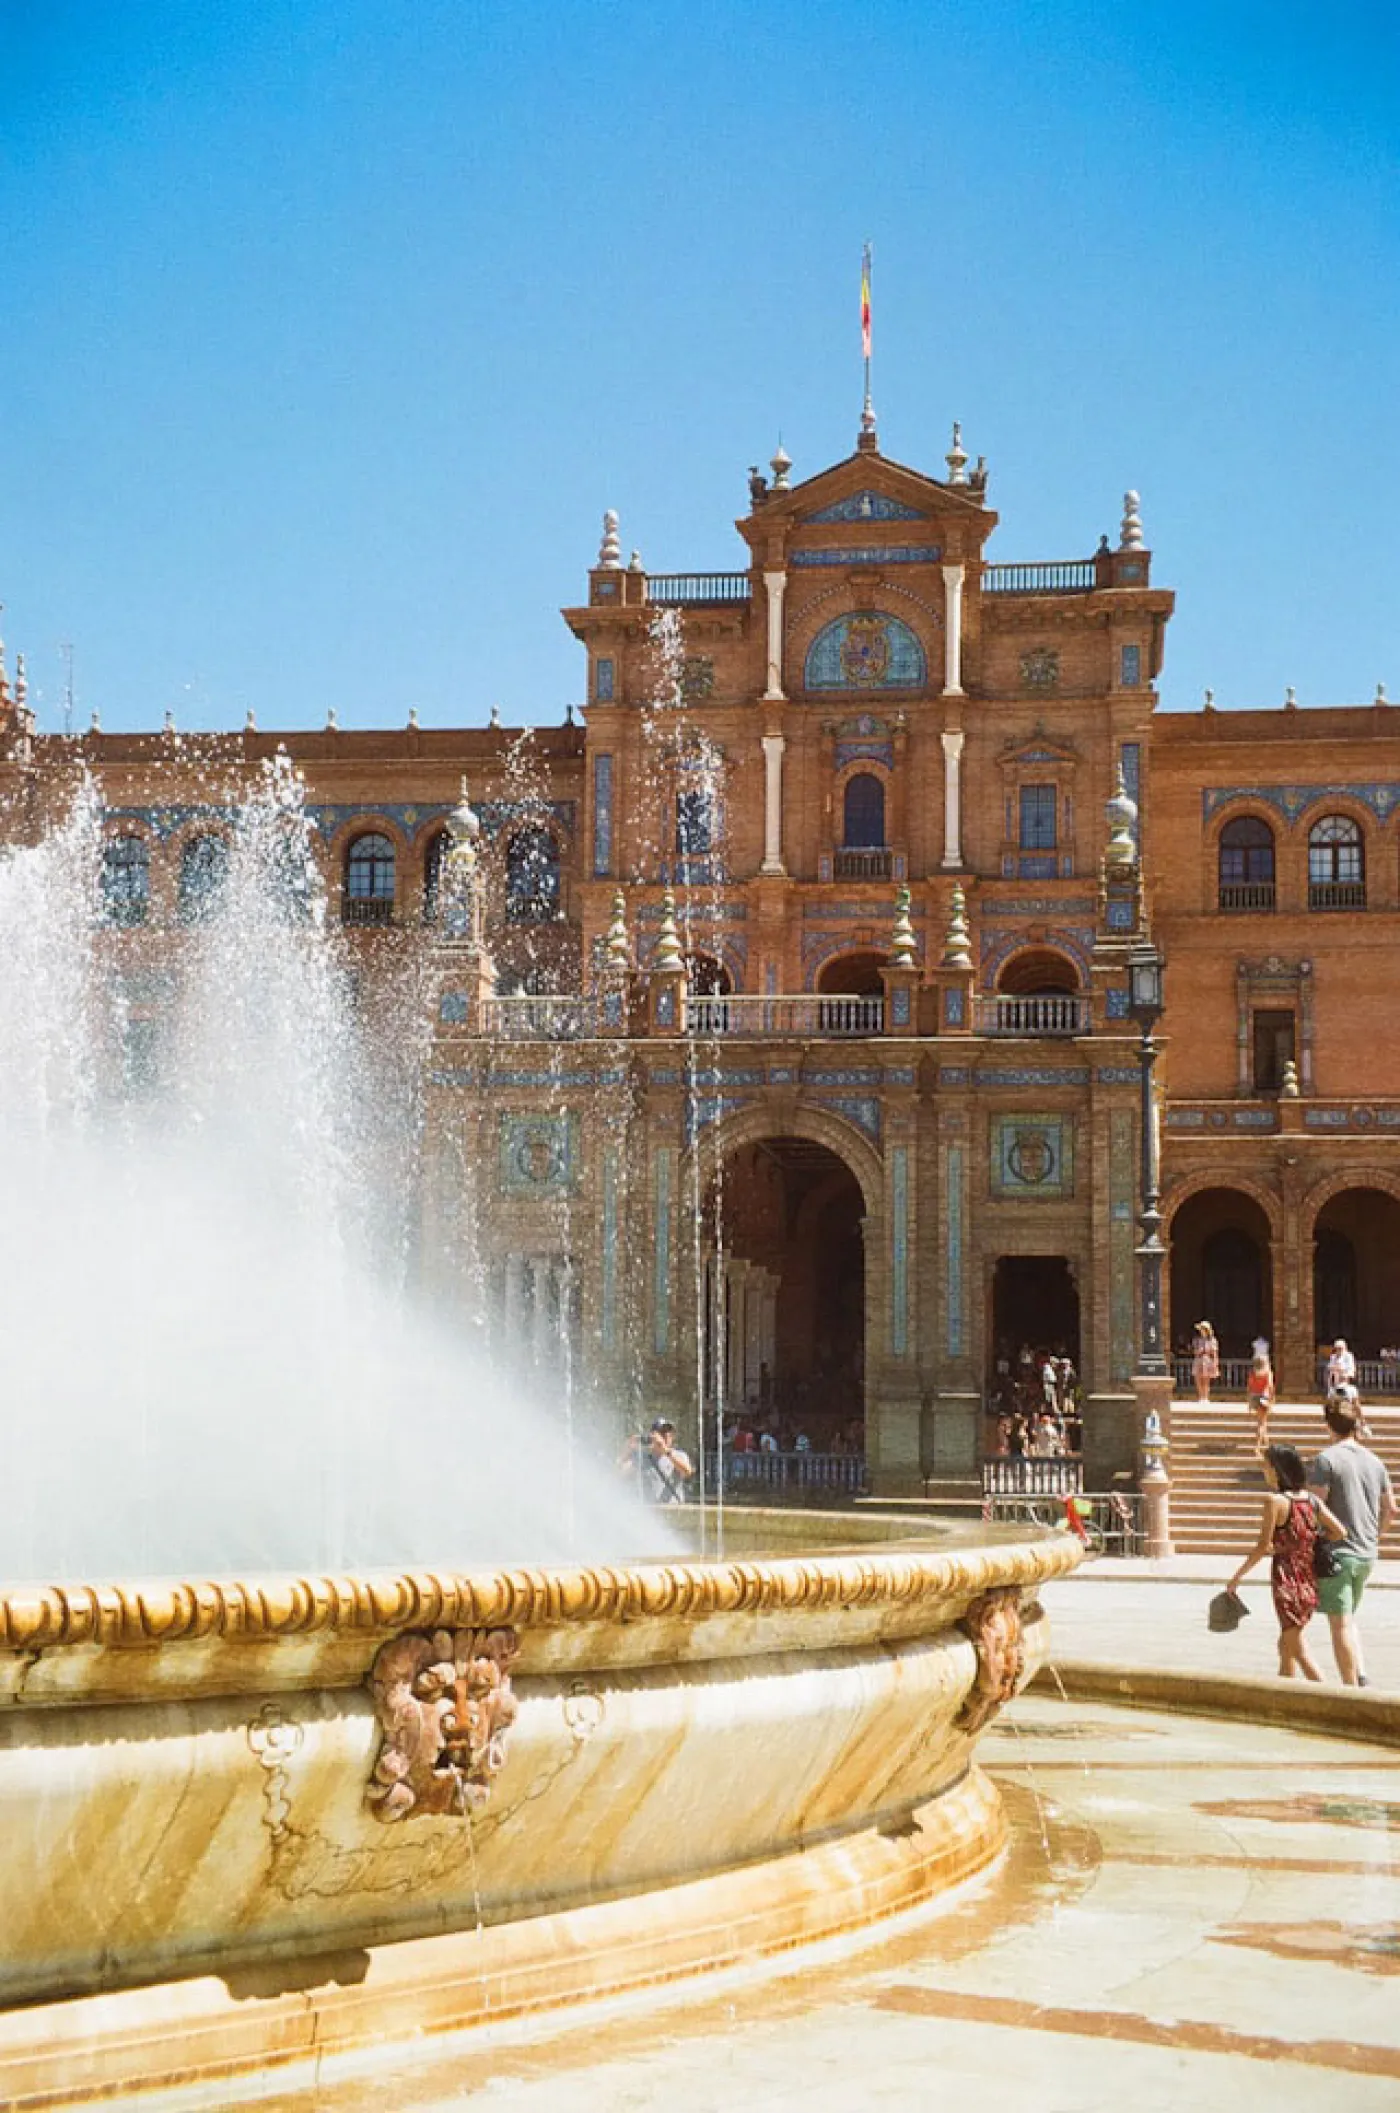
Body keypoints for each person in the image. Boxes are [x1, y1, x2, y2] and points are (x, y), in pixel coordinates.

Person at [1228, 1443, 1346, 1679]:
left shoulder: (1275, 1502)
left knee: (1298, 1648)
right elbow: (1340, 1532)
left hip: (1287, 1579)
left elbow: (1262, 1547)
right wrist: (1308, 1540)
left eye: (1267, 1467)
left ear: (1277, 1470)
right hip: (1309, 1578)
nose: (1265, 1471)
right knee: (1286, 1647)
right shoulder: (1311, 1501)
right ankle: (1284, 1698)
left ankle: (1329, 1700)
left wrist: (1237, 1577)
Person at [1308, 1398, 1397, 1686]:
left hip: (1337, 1552)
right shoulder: (1375, 1462)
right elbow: (1391, 1509)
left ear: (1328, 1425)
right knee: (1348, 1616)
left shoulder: (1326, 1460)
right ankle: (1360, 1673)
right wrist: (1375, 1536)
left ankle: (1350, 1691)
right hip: (1366, 1552)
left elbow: (1315, 1508)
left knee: (1340, 1623)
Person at [641, 1419, 694, 1504]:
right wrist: (628, 1447)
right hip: (650, 1511)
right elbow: (619, 1473)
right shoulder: (643, 1457)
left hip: (673, 1510)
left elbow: (687, 1472)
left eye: (669, 1433)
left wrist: (666, 1451)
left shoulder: (679, 1455)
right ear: (653, 1436)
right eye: (662, 1432)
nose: (666, 1435)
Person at [1246, 1341, 1275, 1441]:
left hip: (1254, 1396)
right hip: (1264, 1396)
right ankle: (1257, 1446)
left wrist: (1249, 1401)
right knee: (1262, 1422)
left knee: (1261, 1421)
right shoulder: (1267, 1373)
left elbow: (1249, 1387)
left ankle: (1265, 1442)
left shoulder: (1253, 1373)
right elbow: (1270, 1386)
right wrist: (1272, 1398)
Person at [1191, 1320, 1220, 1402]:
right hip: (1198, 1359)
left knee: (1206, 1380)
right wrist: (1198, 1351)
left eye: (1203, 1329)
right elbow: (1193, 1350)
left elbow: (1214, 1353)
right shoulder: (1196, 1340)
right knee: (1198, 1378)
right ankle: (1200, 1396)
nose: (1201, 1331)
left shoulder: (1212, 1340)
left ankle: (1205, 1397)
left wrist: (1215, 1363)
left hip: (1207, 1360)